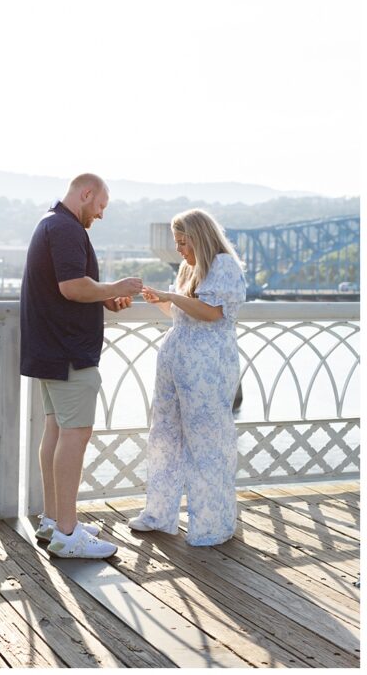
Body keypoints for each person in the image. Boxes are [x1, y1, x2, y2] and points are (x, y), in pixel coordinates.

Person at [20, 173, 143, 559]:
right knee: (75, 434)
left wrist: (104, 298)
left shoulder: (50, 222)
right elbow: (71, 287)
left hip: (49, 346)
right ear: (86, 194)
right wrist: (117, 288)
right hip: (69, 349)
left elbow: (72, 287)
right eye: (101, 205)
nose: (102, 215)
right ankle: (68, 535)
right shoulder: (67, 228)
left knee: (56, 431)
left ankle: (54, 522)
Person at [129, 208, 247, 545]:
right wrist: (160, 301)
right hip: (176, 358)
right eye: (177, 243)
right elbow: (182, 313)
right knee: (164, 434)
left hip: (207, 363)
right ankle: (159, 513)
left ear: (200, 238)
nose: (179, 249)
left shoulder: (223, 265)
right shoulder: (188, 267)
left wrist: (172, 296)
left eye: (183, 242)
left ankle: (212, 522)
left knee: (207, 440)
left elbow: (211, 313)